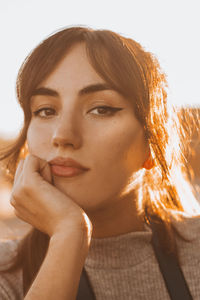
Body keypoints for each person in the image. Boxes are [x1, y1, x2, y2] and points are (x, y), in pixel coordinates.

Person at [0, 26, 200, 300]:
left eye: (100, 109)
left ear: (153, 141)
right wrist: (69, 235)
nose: (63, 135)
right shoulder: (5, 275)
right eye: (45, 110)